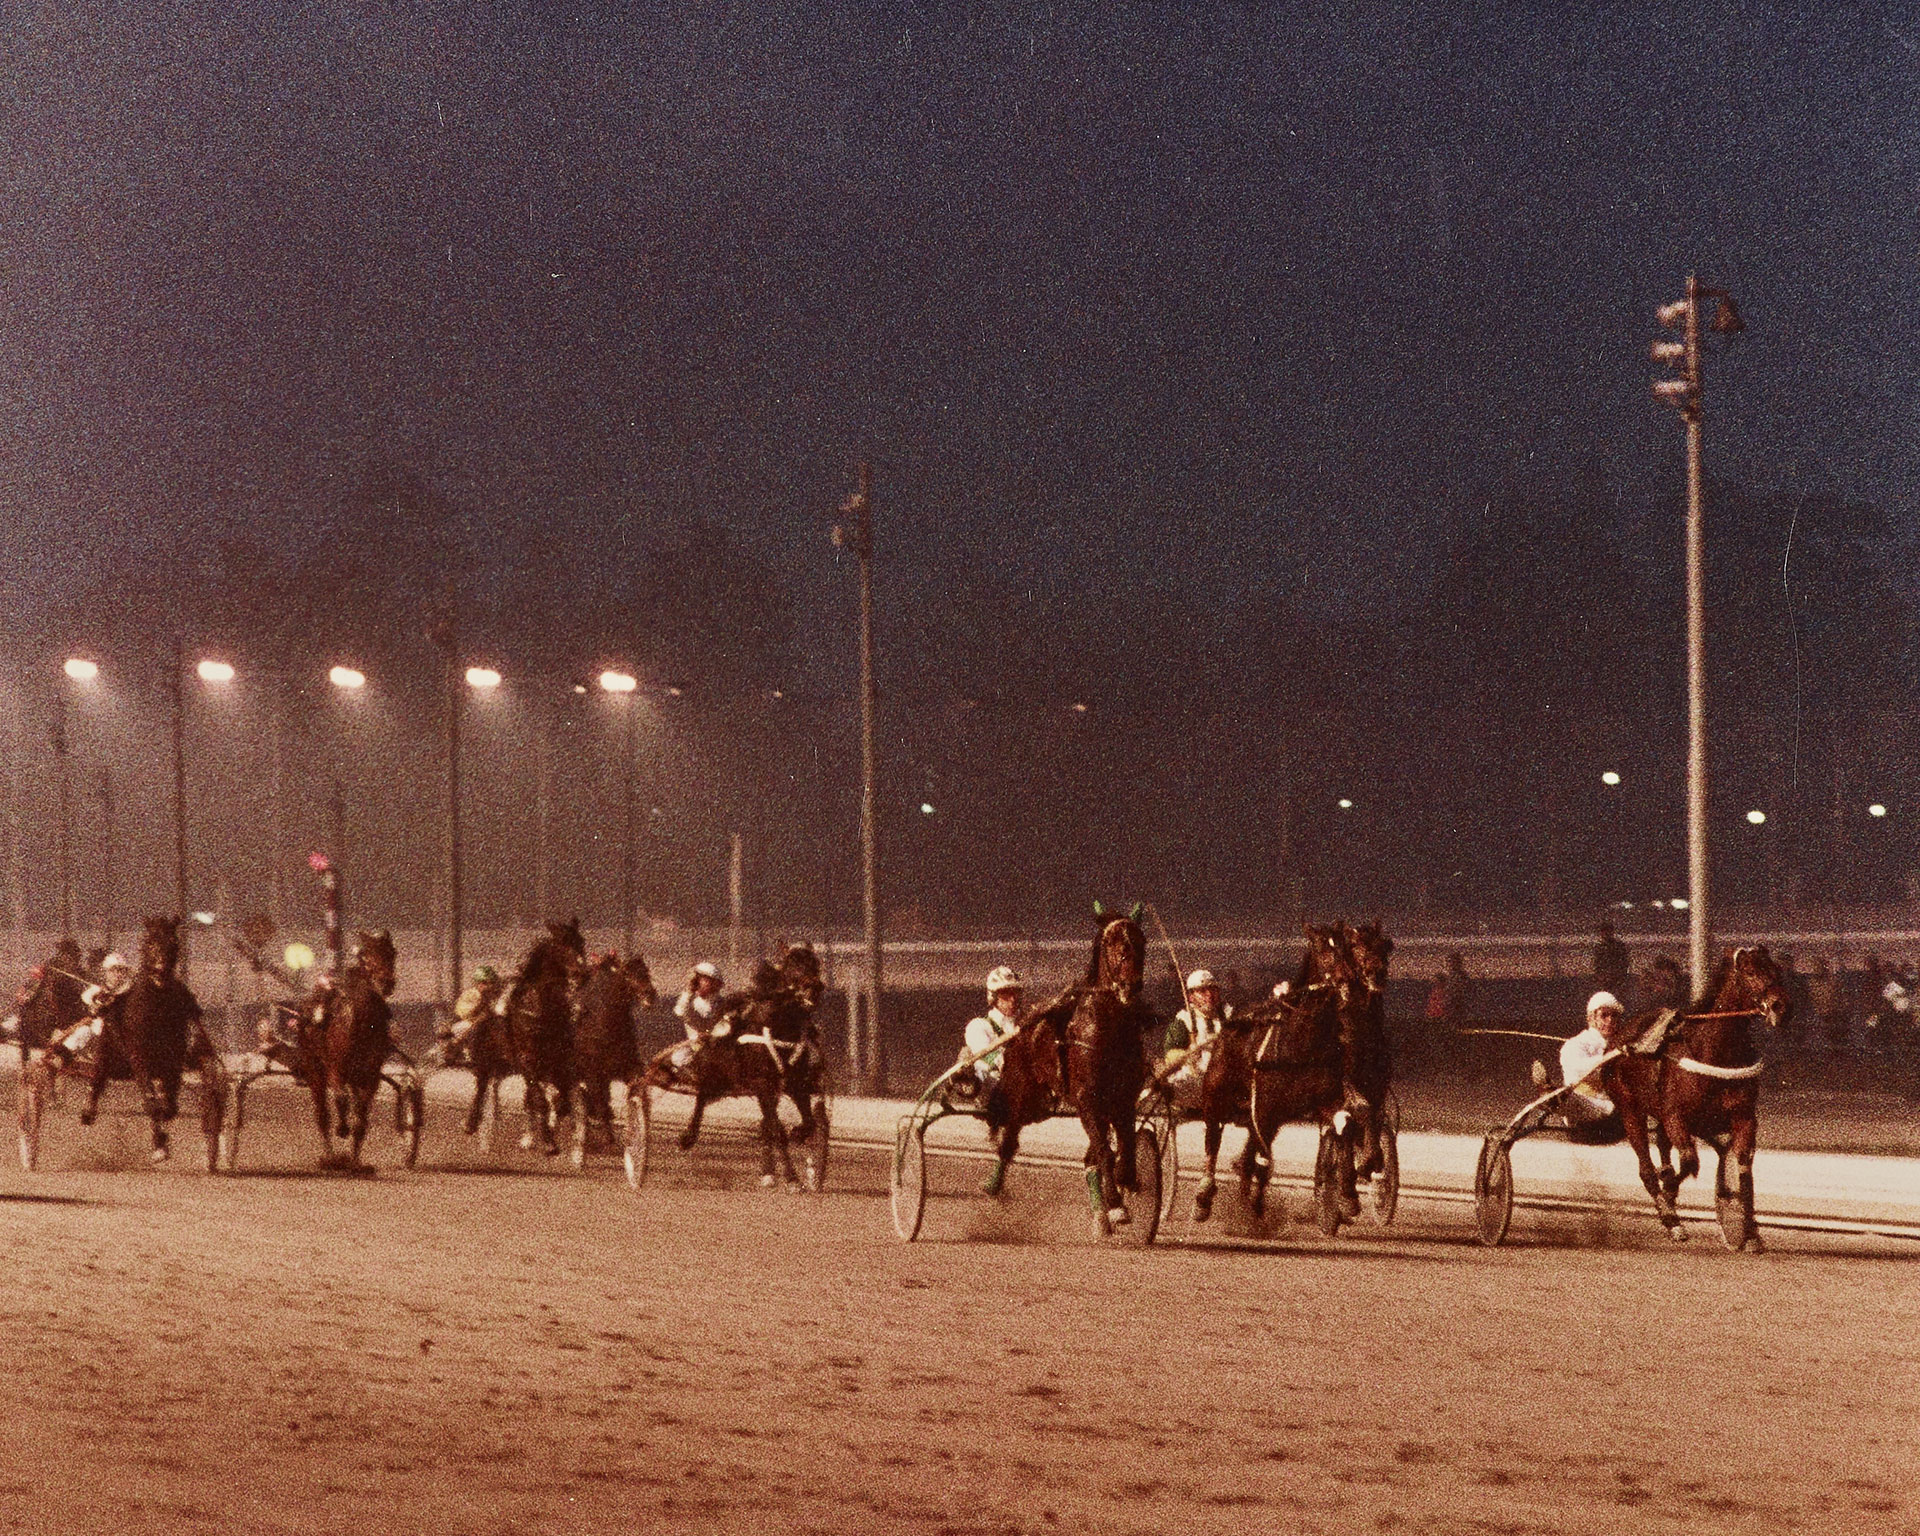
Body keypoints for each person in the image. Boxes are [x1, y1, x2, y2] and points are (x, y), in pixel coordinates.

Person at [1551, 990, 1626, 1143]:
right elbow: (1579, 1071)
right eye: (1604, 1015)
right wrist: (1608, 1058)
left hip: (1614, 1117)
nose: (1610, 1020)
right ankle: (1551, 1095)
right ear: (1591, 1018)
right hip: (1584, 1112)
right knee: (1572, 1096)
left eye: (1614, 1016)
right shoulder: (1575, 1044)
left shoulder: (1622, 1045)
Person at [1161, 968, 1231, 1113]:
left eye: (1213, 990)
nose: (1209, 995)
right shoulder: (1184, 1020)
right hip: (1195, 1080)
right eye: (1202, 991)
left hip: (1224, 1079)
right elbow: (1171, 1053)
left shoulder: (1229, 1016)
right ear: (1191, 997)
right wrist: (1187, 1057)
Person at [48, 951, 133, 1063]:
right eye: (114, 970)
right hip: (97, 1033)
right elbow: (86, 1013)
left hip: (119, 1033)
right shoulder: (94, 991)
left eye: (121, 971)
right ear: (106, 972)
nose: (118, 975)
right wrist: (97, 1002)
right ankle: (62, 1058)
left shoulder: (128, 993)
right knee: (84, 1031)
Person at [955, 965, 1023, 1097]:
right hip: (994, 1087)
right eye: (1006, 994)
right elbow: (986, 1056)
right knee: (974, 1061)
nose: (1013, 999)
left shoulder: (1026, 1023)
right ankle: (964, 1080)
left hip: (1025, 1084)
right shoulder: (979, 1026)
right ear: (994, 997)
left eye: (1015, 993)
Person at [441, 964, 504, 1065]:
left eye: (491, 983)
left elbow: (501, 1009)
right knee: (464, 1028)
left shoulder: (497, 995)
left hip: (492, 1022)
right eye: (484, 983)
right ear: (477, 983)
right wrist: (479, 1005)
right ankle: (458, 1051)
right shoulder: (470, 995)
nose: (488, 986)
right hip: (471, 1021)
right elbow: (462, 1011)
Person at [1591, 920, 1631, 998]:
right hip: (1605, 979)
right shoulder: (1599, 947)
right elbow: (1597, 964)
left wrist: (1621, 976)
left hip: (1617, 978)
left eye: (1607, 931)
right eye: (1603, 932)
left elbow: (1624, 962)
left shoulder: (1618, 946)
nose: (1605, 934)